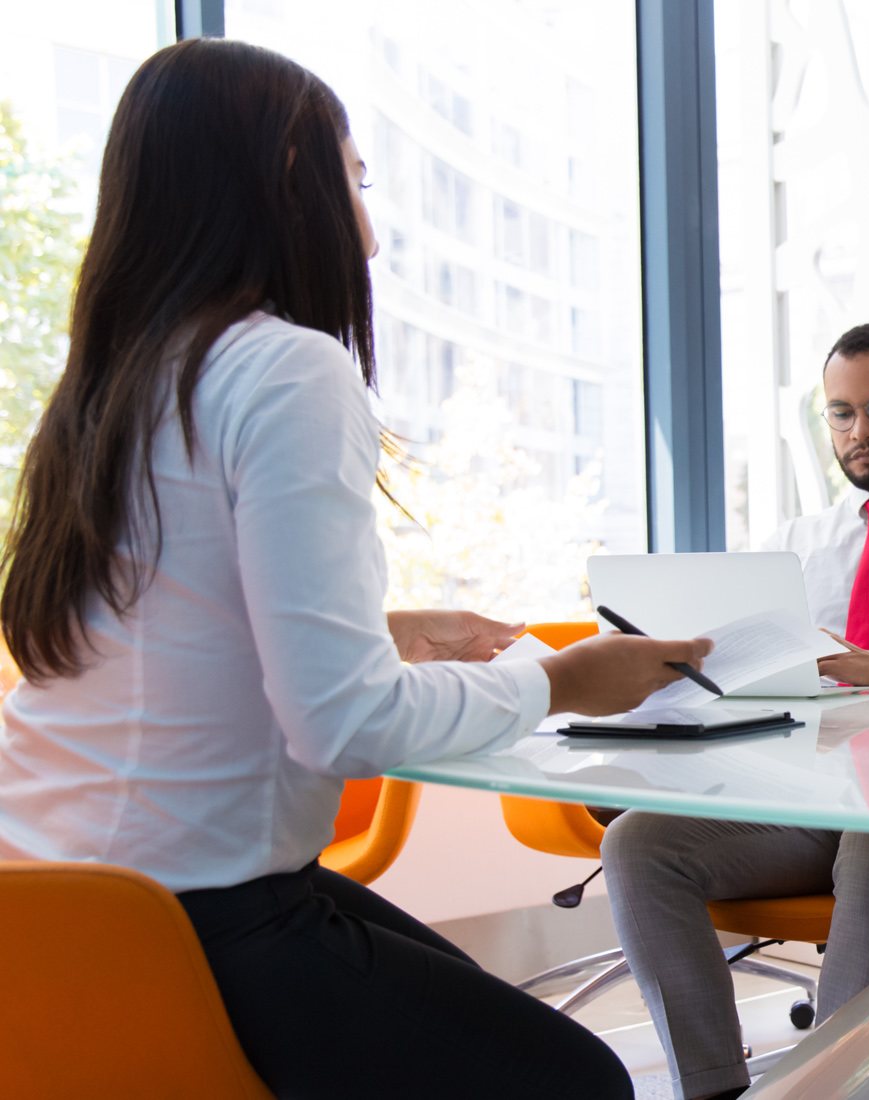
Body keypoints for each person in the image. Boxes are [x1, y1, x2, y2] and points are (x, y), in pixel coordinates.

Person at [0, 39, 712, 1098]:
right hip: (196, 913)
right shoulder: (284, 365)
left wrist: (389, 629)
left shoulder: (112, 384)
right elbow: (343, 725)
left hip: (46, 901)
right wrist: (562, 678)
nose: (368, 231)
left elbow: (158, 637)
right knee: (579, 1081)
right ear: (291, 179)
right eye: (355, 175)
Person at [600, 322, 869, 1100]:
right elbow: (749, 674)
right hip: (802, 797)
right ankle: (712, 1086)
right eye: (840, 413)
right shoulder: (793, 544)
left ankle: (831, 1090)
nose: (859, 432)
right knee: (637, 840)